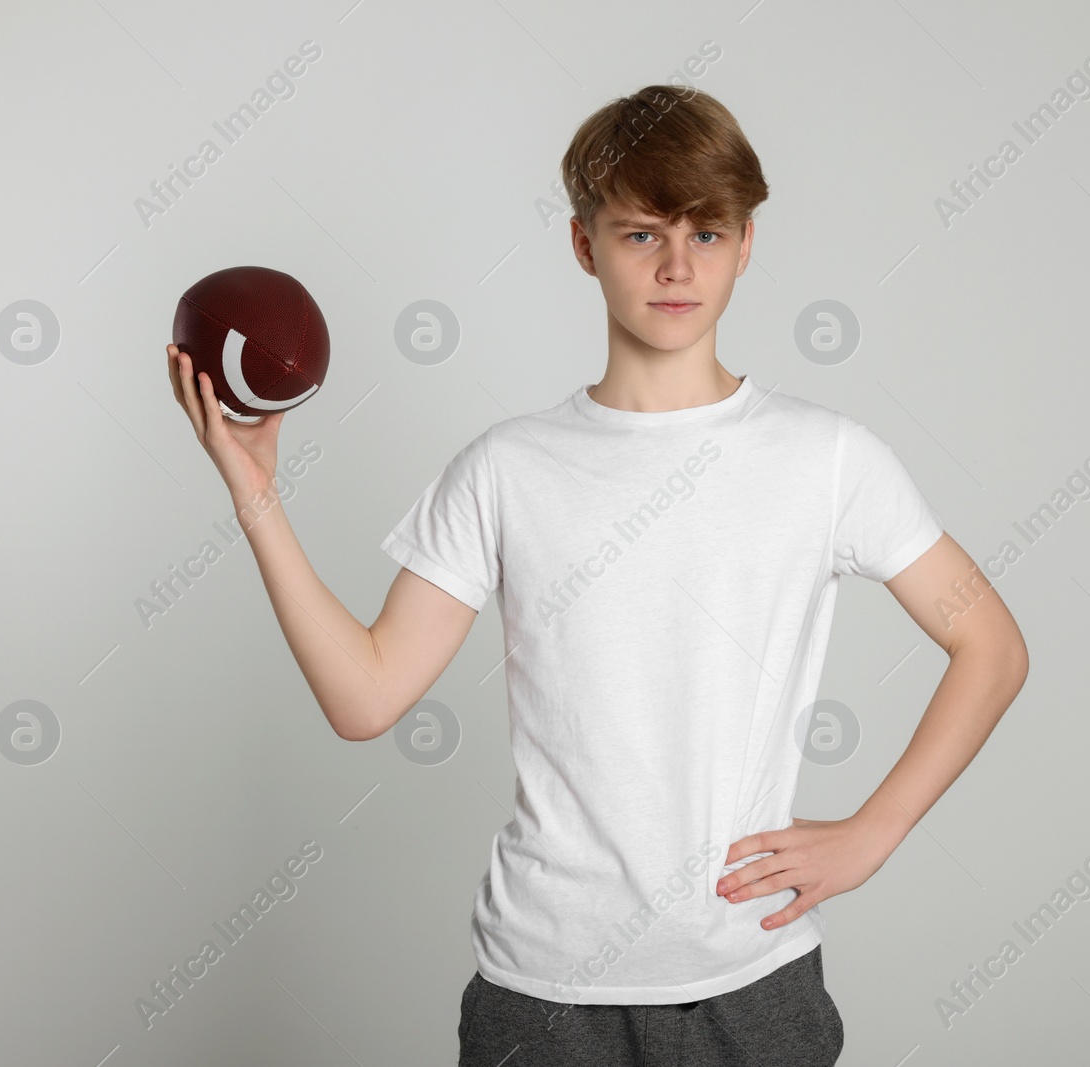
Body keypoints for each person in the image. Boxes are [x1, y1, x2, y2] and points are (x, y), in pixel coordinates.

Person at [167, 84, 1028, 1067]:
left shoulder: (826, 457)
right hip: (543, 996)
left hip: (752, 983)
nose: (674, 264)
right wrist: (257, 501)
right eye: (639, 233)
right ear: (583, 244)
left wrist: (873, 831)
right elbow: (364, 696)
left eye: (706, 234)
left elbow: (989, 645)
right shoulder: (506, 466)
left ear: (748, 245)